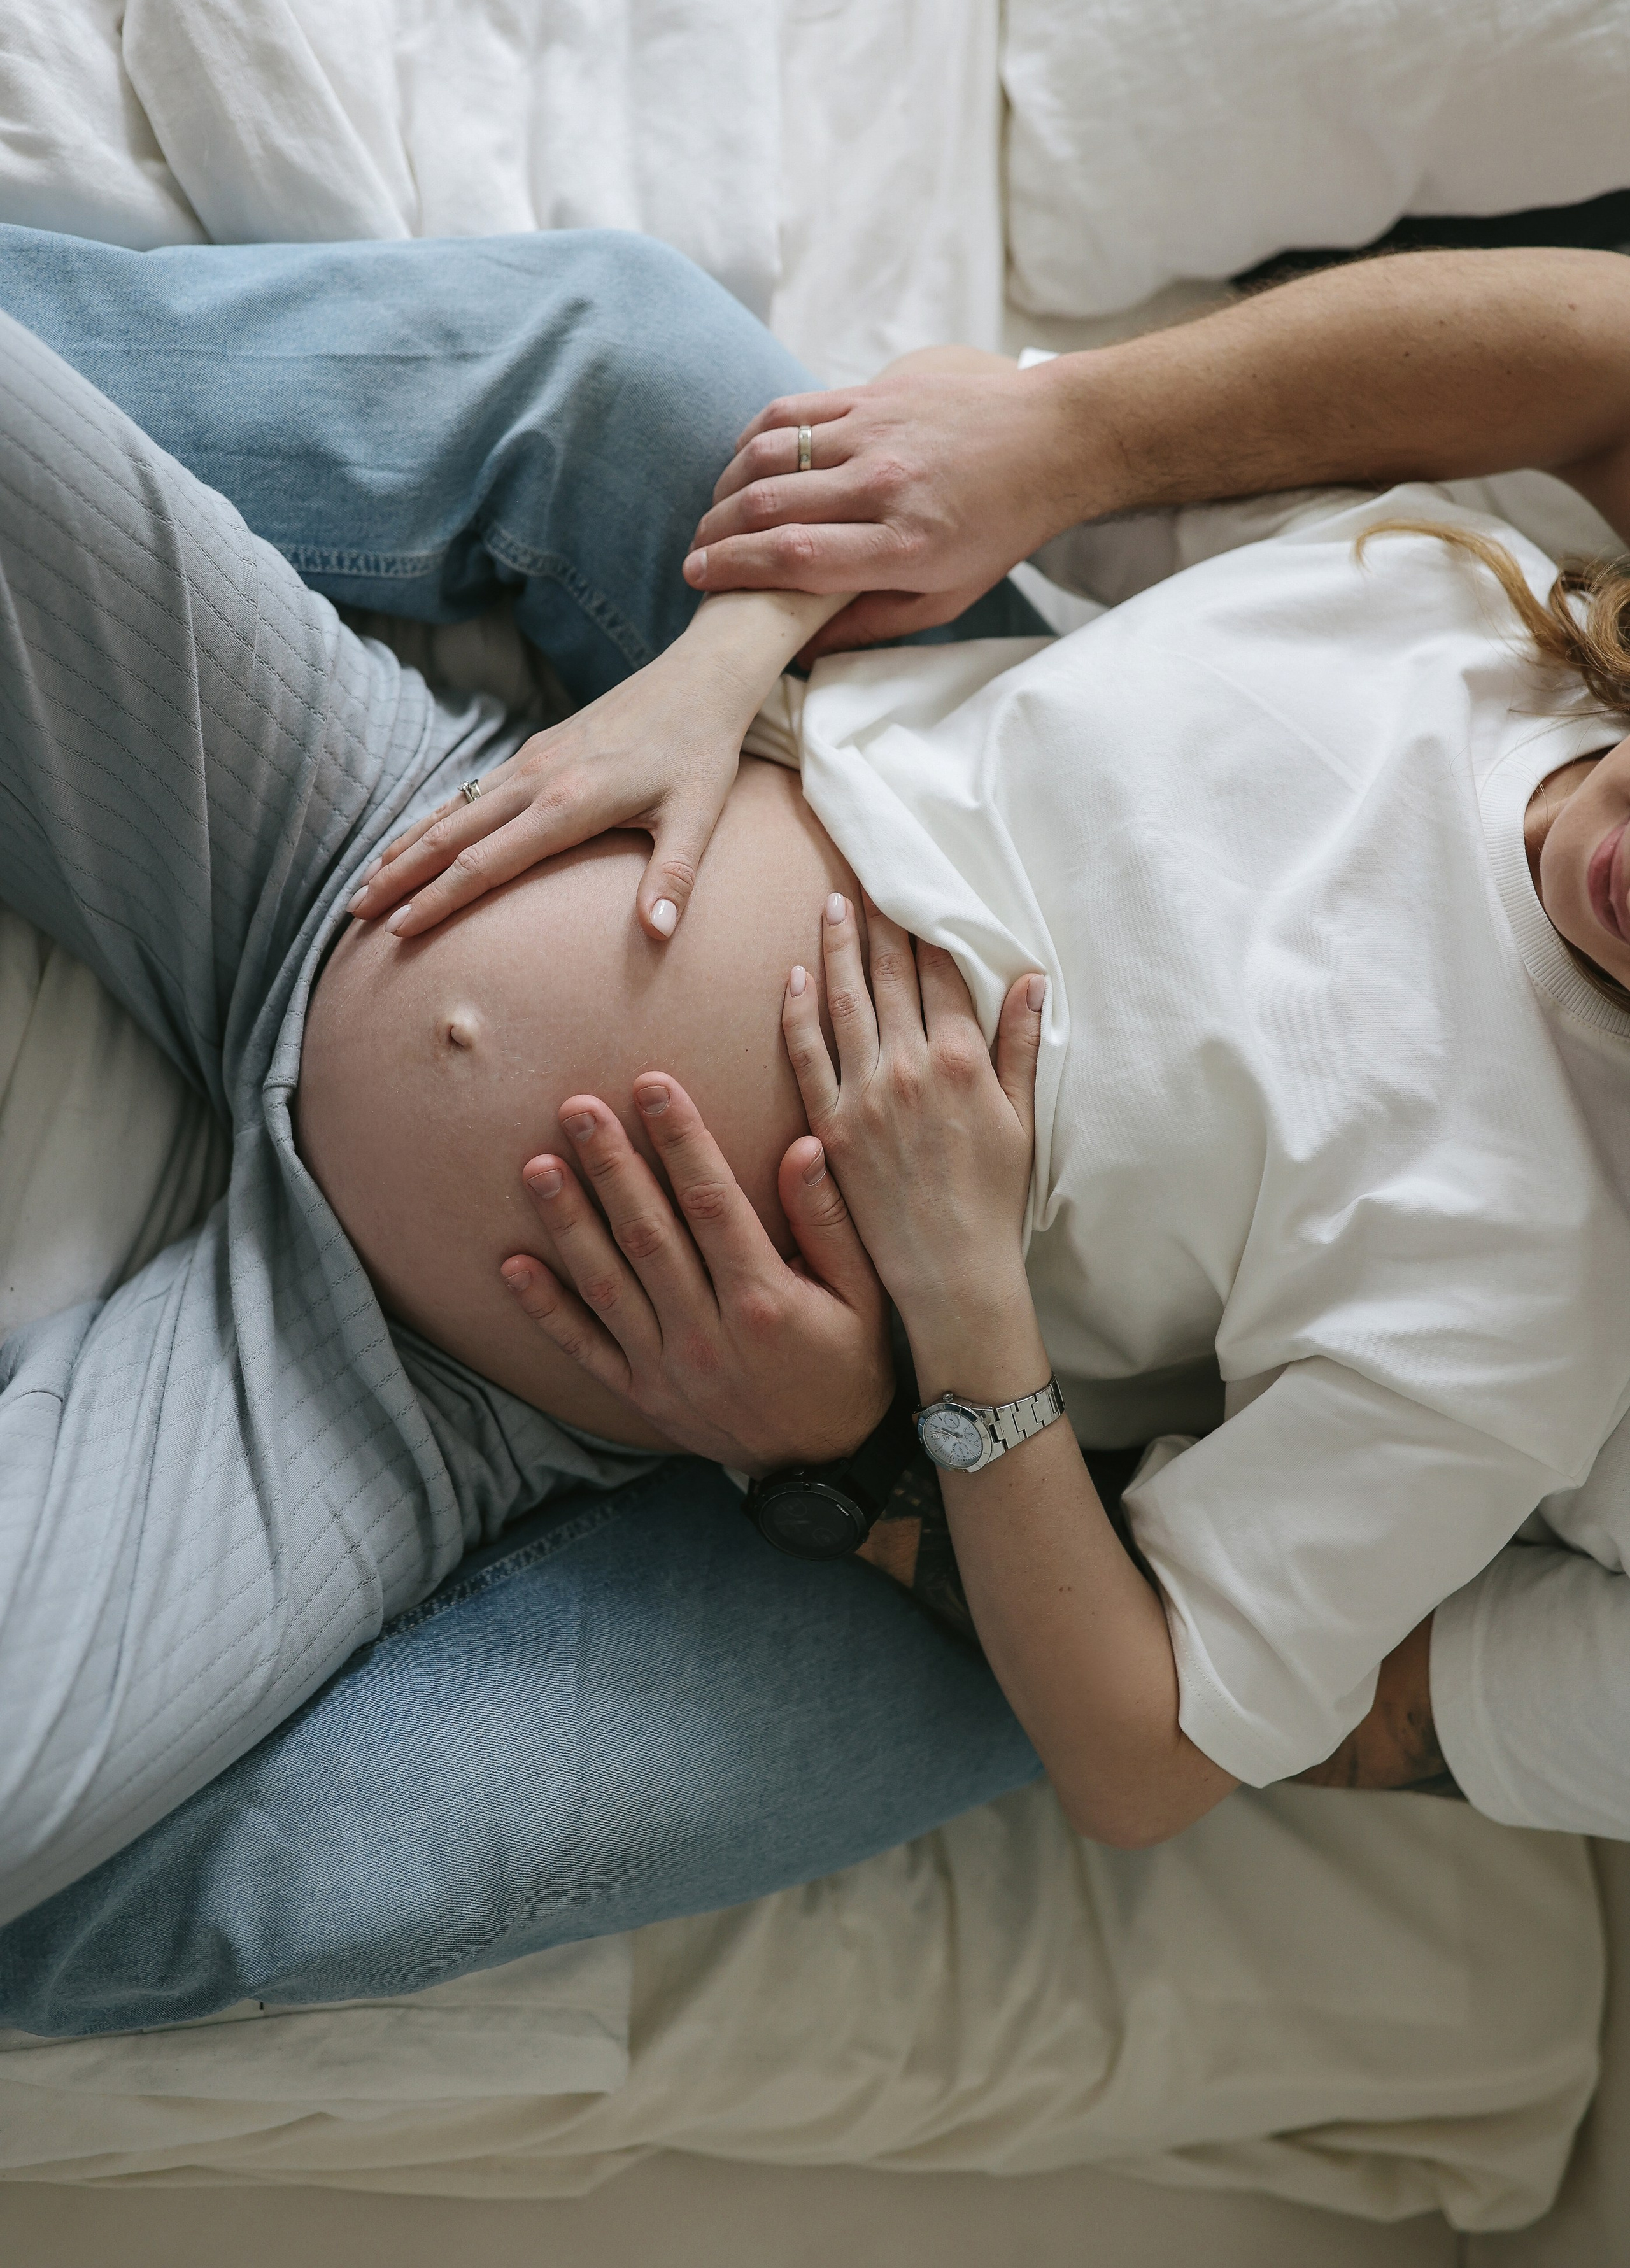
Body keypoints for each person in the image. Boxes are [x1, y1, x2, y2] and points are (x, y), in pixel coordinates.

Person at [0, 230, 1620, 2033]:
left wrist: (937, 1359)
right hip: (382, 807)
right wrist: (730, 669)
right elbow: (981, 600)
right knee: (603, 341)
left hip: (443, 1386)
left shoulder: (1534, 1290)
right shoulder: (1447, 592)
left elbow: (1159, 1754)